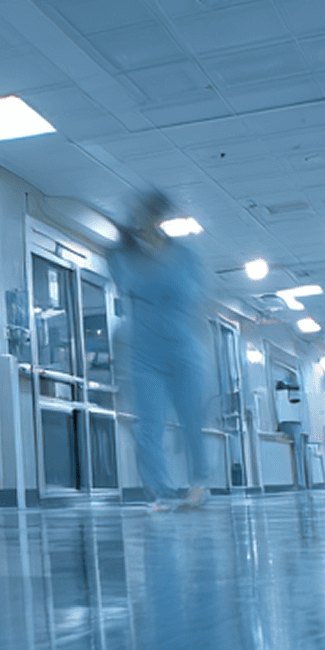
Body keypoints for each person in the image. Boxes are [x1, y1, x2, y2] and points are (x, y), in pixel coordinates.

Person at [114, 192, 212, 511]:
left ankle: (199, 483)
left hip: (183, 351)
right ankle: (160, 491)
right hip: (145, 355)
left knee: (191, 422)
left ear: (157, 218)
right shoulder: (125, 257)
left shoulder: (185, 255)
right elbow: (124, 291)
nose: (139, 220)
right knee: (149, 425)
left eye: (145, 213)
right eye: (136, 214)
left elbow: (196, 305)